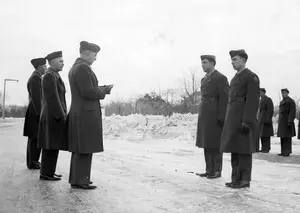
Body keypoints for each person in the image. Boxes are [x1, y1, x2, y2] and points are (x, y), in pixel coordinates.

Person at [68, 41, 113, 190]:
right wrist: (104, 91)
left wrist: (101, 88)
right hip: (85, 114)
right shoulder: (83, 68)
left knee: (80, 147)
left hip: (79, 112)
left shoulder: (76, 67)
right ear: (87, 53)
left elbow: (87, 89)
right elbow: (89, 92)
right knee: (85, 147)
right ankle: (81, 180)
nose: (95, 58)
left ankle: (77, 179)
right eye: (94, 55)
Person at [220, 49, 260, 189]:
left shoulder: (251, 77)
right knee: (235, 148)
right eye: (232, 60)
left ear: (243, 60)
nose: (232, 62)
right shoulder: (235, 78)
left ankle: (244, 179)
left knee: (244, 150)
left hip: (243, 118)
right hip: (233, 119)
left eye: (235, 59)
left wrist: (247, 120)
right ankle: (235, 178)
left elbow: (252, 101)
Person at [195, 55, 229, 179]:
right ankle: (209, 169)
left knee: (215, 143)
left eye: (204, 62)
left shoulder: (220, 78)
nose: (202, 65)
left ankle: (216, 170)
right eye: (201, 62)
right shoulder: (204, 79)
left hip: (215, 114)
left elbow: (225, 99)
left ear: (212, 63)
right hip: (205, 114)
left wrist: (222, 116)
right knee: (206, 142)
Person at [38, 51, 68, 181]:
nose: (63, 63)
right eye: (60, 61)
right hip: (52, 116)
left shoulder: (54, 75)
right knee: (50, 145)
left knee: (53, 144)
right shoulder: (50, 76)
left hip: (53, 115)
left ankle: (49, 171)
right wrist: (61, 116)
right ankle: (45, 173)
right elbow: (53, 98)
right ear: (52, 62)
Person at [23, 58, 47, 169]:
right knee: (35, 137)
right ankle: (33, 162)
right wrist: (40, 113)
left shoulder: (36, 78)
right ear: (39, 67)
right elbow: (37, 98)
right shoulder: (36, 79)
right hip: (35, 111)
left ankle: (33, 161)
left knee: (34, 137)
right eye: (44, 66)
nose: (46, 68)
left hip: (34, 110)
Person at [277, 88, 296, 157]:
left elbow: (292, 112)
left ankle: (287, 151)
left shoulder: (290, 101)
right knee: (282, 137)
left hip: (287, 121)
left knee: (287, 137)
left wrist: (290, 121)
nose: (283, 94)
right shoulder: (282, 101)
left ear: (287, 93)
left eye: (284, 93)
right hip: (282, 122)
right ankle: (283, 151)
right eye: (282, 93)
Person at [258, 88, 274, 153]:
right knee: (262, 135)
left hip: (266, 120)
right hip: (261, 120)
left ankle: (266, 148)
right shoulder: (260, 100)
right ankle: (263, 148)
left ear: (264, 92)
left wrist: (268, 119)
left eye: (260, 92)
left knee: (266, 135)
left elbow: (270, 110)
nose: (259, 93)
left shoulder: (268, 100)